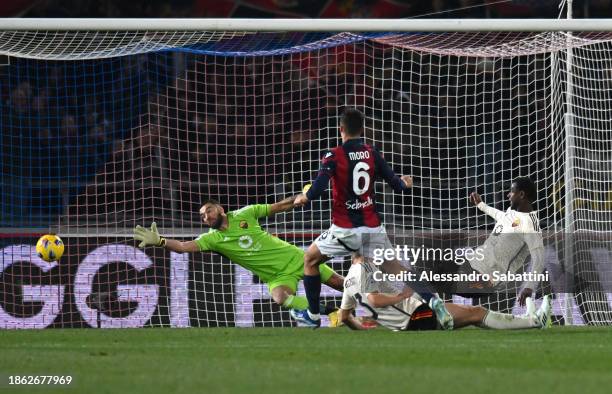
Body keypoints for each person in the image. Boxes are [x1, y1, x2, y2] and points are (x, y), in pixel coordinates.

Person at [293, 108, 451, 328]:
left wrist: (305, 196)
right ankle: (433, 300)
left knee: (310, 259)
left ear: (341, 129)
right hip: (373, 228)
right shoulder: (372, 153)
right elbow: (397, 185)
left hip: (345, 230)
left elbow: (318, 188)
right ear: (362, 129)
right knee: (399, 270)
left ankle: (312, 315)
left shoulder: (333, 155)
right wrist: (406, 183)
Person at [133, 197, 344, 324]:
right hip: (276, 276)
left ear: (221, 209)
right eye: (202, 215)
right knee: (280, 297)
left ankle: (373, 300)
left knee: (340, 284)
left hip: (296, 258)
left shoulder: (246, 214)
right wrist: (160, 241)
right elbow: (182, 247)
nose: (206, 216)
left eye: (209, 210)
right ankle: (333, 312)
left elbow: (278, 206)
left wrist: (300, 198)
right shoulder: (212, 239)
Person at [338, 257, 552, 331]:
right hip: (414, 316)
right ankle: (535, 322)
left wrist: (365, 327)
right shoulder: (364, 269)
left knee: (472, 314)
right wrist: (400, 298)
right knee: (475, 312)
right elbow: (374, 300)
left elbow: (344, 317)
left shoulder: (348, 280)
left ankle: (530, 320)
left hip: (407, 321)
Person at [465, 177, 546, 307]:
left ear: (521, 194)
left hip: (489, 275)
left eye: (511, 191)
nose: (508, 194)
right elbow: (501, 217)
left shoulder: (530, 224)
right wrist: (481, 205)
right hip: (475, 262)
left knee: (438, 278)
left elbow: (539, 258)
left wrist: (529, 286)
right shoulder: (512, 212)